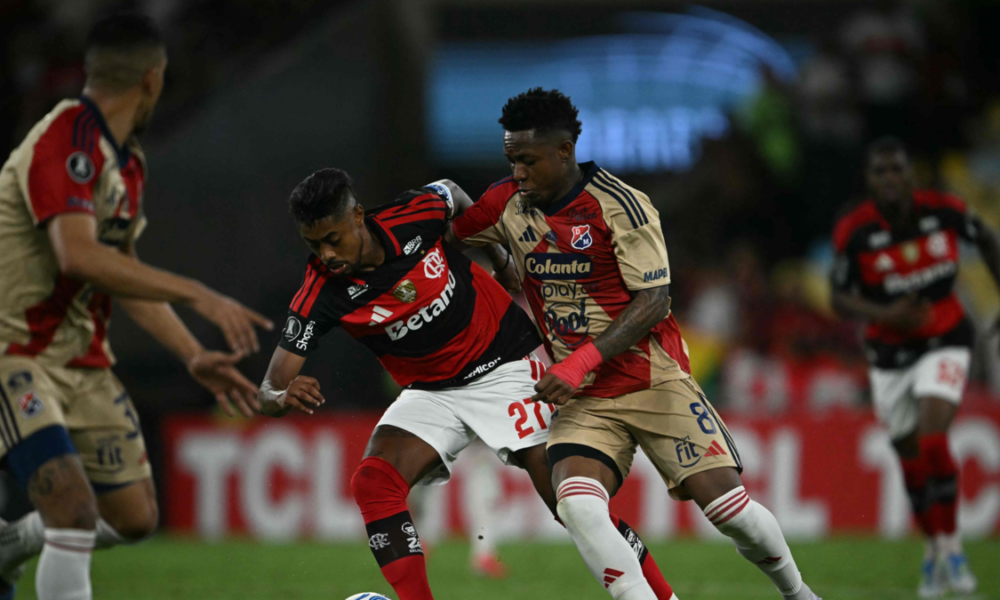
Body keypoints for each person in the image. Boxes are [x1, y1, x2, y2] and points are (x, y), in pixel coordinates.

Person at [448, 88, 821, 600]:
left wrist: (579, 361)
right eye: (511, 160)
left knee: (730, 514)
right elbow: (446, 232)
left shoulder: (620, 204)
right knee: (576, 504)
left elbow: (654, 301)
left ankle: (799, 594)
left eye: (528, 160)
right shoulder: (506, 205)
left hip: (651, 378)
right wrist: (440, 203)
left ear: (564, 151)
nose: (518, 173)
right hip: (584, 399)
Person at [258, 168, 679, 600]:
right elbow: (269, 387)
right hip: (432, 391)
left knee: (572, 506)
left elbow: (455, 194)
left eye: (333, 239)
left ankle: (663, 597)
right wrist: (279, 396)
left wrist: (499, 258)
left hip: (508, 363)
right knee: (373, 482)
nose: (326, 254)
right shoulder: (321, 293)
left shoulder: (413, 213)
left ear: (358, 217)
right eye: (314, 245)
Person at [0, 14, 272, 600]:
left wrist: (193, 353)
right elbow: (76, 256)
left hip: (81, 363)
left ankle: (8, 544)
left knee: (134, 518)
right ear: (153, 79)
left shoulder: (126, 161)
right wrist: (196, 291)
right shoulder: (63, 141)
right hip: (15, 353)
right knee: (71, 510)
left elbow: (119, 274)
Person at [830, 137, 999, 596]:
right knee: (910, 458)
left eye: (897, 170)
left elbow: (985, 236)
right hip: (889, 356)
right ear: (869, 181)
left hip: (945, 337)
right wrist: (885, 315)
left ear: (911, 174)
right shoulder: (855, 230)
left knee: (933, 437)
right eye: (880, 172)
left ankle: (952, 548)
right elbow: (837, 297)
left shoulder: (943, 210)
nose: (890, 179)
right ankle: (934, 547)